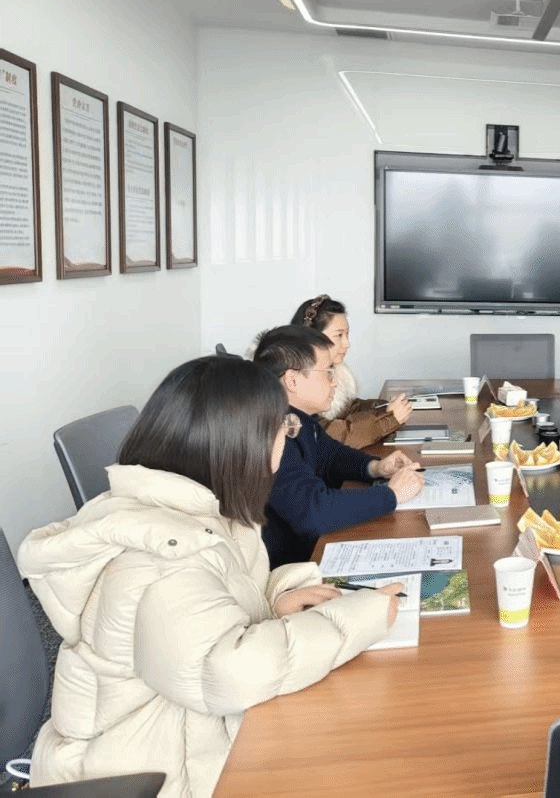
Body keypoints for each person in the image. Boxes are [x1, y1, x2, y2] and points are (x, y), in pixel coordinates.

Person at [17, 355, 402, 798]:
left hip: (173, 730)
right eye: (284, 426)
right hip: (150, 768)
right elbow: (228, 674)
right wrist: (360, 617)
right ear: (244, 443)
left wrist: (273, 601)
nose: (288, 436)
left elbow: (210, 605)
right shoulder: (165, 555)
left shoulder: (196, 511)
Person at [254, 325, 424, 567]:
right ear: (292, 380)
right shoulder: (274, 433)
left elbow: (330, 455)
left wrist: (375, 467)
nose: (334, 382)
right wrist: (391, 494)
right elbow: (313, 511)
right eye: (328, 373)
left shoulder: (298, 418)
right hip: (289, 569)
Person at [291, 294, 412, 448]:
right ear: (312, 338)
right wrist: (389, 420)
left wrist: (385, 407)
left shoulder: (329, 371)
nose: (347, 343)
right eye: (339, 335)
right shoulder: (296, 379)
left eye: (347, 334)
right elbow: (328, 436)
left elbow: (348, 408)